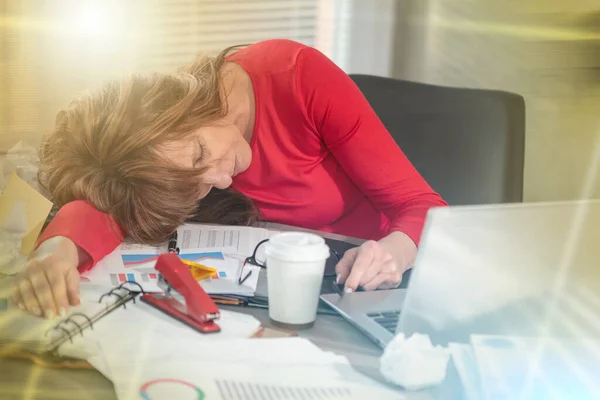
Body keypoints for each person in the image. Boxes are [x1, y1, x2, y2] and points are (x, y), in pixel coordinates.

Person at [11, 39, 447, 319]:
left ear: (182, 104)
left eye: (201, 152)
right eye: (197, 183)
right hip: (269, 296)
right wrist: (58, 249)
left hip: (367, 284)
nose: (222, 180)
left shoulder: (297, 77)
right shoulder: (165, 152)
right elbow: (105, 206)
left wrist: (395, 250)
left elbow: (423, 207)